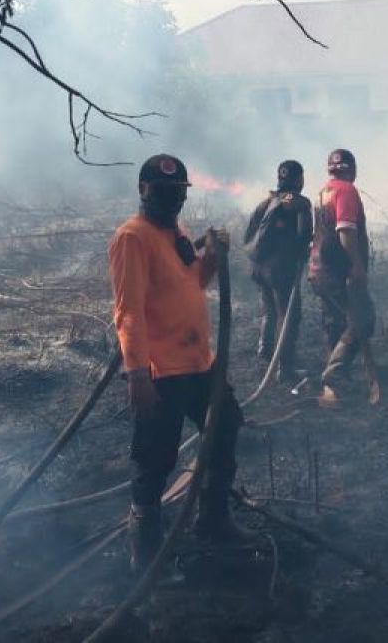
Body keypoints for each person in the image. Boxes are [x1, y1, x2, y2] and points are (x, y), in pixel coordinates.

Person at [108, 153, 253, 573]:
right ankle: (148, 555)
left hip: (199, 363)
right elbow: (128, 311)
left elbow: (191, 285)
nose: (171, 199)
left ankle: (213, 521)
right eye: (162, 191)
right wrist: (138, 374)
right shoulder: (132, 238)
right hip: (162, 370)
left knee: (224, 427)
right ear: (142, 191)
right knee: (154, 460)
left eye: (177, 192)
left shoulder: (176, 232)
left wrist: (211, 258)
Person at [307, 148, 375, 407]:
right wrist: (356, 267)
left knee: (334, 321)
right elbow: (346, 232)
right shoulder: (346, 190)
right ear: (352, 170)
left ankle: (333, 386)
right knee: (364, 319)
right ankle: (334, 373)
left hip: (318, 270)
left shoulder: (323, 192)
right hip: (337, 272)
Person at [243, 159, 312, 382]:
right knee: (289, 315)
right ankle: (285, 368)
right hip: (281, 271)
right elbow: (303, 237)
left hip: (258, 267)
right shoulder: (298, 202)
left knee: (269, 310)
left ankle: (265, 349)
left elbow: (249, 234)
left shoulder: (269, 200)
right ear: (299, 179)